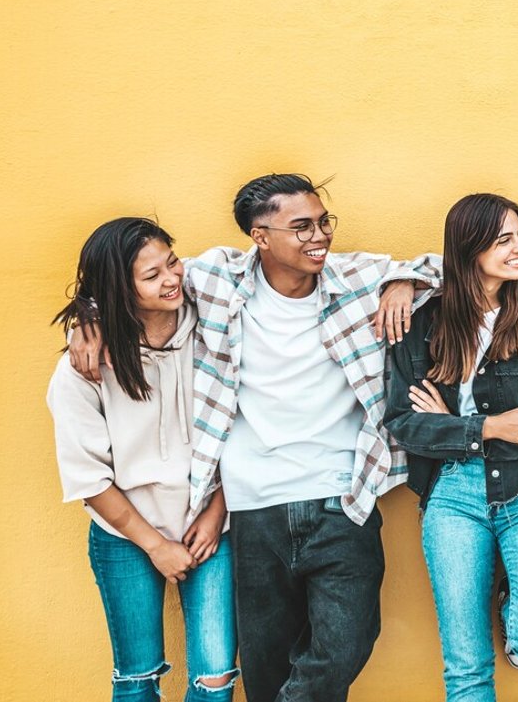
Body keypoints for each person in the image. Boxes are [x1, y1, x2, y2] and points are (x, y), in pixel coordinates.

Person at [71, 173, 438, 702]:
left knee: (348, 640)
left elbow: (453, 270)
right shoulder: (214, 279)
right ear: (260, 236)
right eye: (301, 227)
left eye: (323, 222)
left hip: (343, 496)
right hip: (251, 506)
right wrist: (88, 320)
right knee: (265, 663)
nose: (319, 237)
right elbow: (130, 285)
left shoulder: (359, 277)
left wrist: (406, 282)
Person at [383, 193, 518, 701]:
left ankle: (514, 602)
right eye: (504, 239)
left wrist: (451, 428)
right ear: (470, 250)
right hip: (451, 497)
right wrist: (485, 428)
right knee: (466, 664)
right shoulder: (423, 322)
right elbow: (403, 422)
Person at [48, 218, 237, 701]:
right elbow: (89, 478)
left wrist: (217, 513)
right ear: (119, 288)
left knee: (215, 679)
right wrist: (155, 545)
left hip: (210, 526)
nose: (171, 278)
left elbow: (246, 432)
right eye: (151, 276)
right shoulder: (85, 367)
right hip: (125, 535)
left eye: (171, 262)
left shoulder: (215, 330)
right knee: (137, 678)